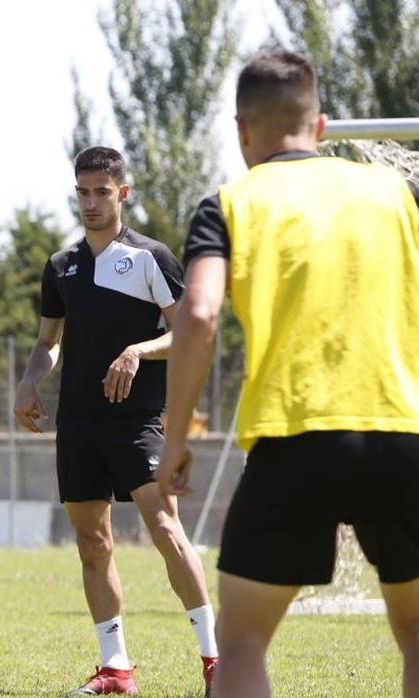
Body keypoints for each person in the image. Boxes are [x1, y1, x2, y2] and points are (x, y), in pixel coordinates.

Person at [158, 50, 419, 698]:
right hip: (402, 433)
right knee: (416, 633)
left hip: (294, 437)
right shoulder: (398, 192)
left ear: (241, 131)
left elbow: (198, 312)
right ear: (322, 126)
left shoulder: (230, 203)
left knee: (243, 642)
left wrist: (175, 438)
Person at [14, 147, 218, 696]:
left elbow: (187, 334)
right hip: (78, 423)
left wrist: (137, 350)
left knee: (165, 530)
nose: (90, 202)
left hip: (137, 420)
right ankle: (116, 668)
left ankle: (214, 660)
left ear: (122, 193)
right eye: (82, 192)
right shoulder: (61, 266)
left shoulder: (151, 257)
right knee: (91, 542)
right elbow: (47, 342)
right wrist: (31, 379)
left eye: (101, 192)